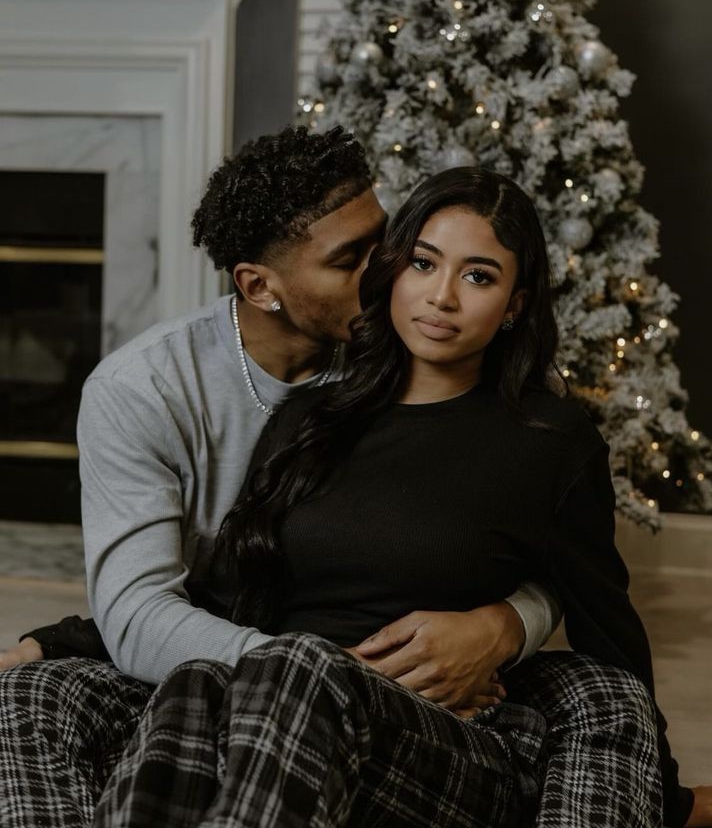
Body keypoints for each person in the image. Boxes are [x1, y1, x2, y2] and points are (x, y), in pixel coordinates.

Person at [89, 167, 712, 827]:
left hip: (444, 744)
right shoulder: (309, 418)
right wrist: (69, 638)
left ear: (514, 305)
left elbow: (608, 632)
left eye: (478, 276)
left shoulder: (550, 440)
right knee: (181, 690)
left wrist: (670, 798)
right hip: (277, 735)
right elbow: (227, 584)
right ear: (394, 271)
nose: (442, 297)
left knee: (298, 669)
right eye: (424, 263)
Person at [0, 127, 555, 827]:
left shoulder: (418, 356)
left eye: (385, 242)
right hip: (228, 661)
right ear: (259, 286)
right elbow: (142, 616)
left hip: (370, 693)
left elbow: (550, 528)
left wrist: (505, 623)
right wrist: (314, 670)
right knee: (24, 699)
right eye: (350, 260)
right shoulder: (142, 390)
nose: (389, 272)